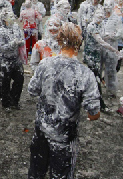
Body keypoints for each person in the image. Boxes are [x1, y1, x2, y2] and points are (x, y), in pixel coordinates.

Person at [27, 22, 101, 179]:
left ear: (59, 41)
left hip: (41, 132)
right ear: (79, 43)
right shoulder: (85, 73)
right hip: (65, 138)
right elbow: (94, 113)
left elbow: (32, 90)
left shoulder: (45, 64)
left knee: (36, 173)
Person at [0, 8, 25, 110]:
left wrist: (20, 42)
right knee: (5, 82)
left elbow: (22, 39)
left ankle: (14, 101)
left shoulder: (16, 27)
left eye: (13, 16)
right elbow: (2, 48)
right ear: (4, 19)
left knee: (20, 79)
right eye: (11, 16)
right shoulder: (1, 32)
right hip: (5, 61)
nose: (13, 18)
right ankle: (6, 103)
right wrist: (13, 44)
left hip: (16, 59)